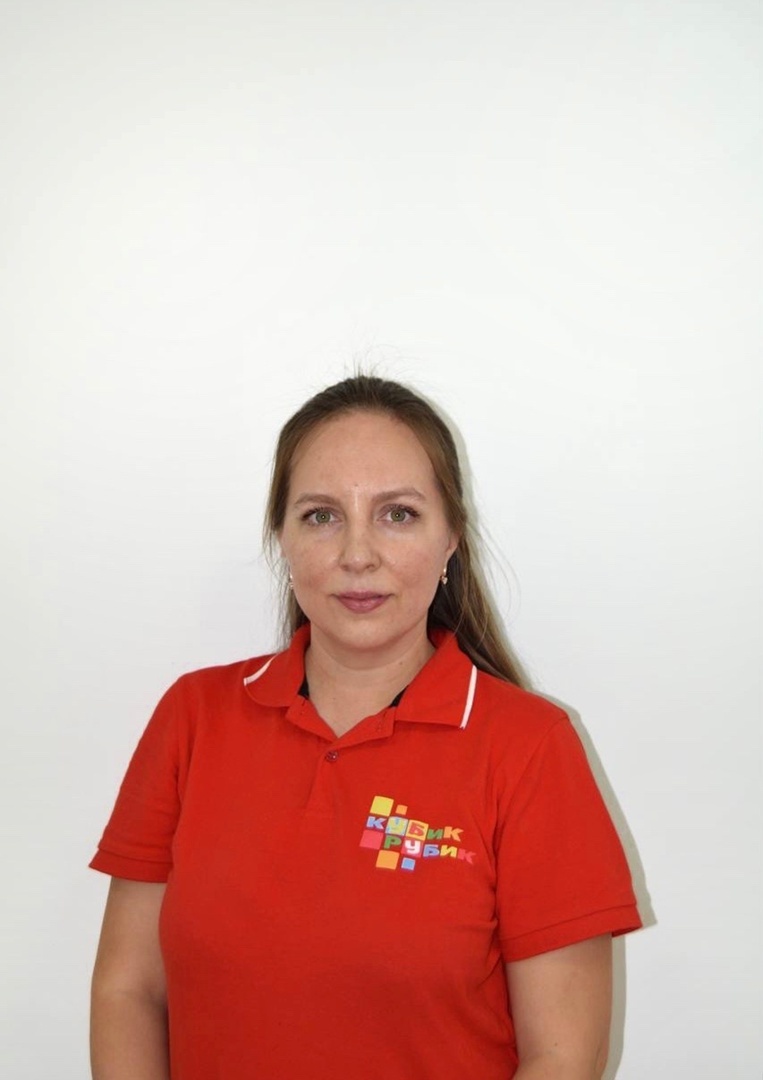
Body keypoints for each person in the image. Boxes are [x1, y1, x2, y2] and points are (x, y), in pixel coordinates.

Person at [90, 374, 641, 1080]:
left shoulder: (530, 746)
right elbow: (128, 991)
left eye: (398, 514)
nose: (357, 554)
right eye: (321, 515)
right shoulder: (193, 717)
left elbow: (563, 1057)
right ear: (281, 537)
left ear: (451, 538)